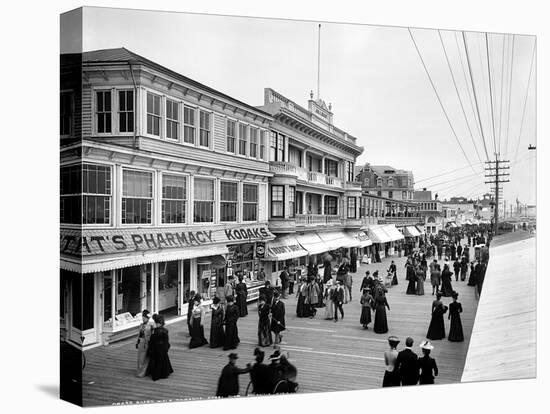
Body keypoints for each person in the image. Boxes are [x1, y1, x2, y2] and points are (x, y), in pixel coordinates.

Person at [147, 314, 174, 381]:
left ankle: (157, 373)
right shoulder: (165, 330)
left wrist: (150, 348)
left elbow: (152, 340)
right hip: (162, 348)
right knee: (163, 360)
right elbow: (166, 341)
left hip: (156, 348)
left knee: (157, 361)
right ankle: (164, 373)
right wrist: (166, 347)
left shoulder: (155, 331)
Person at [136, 309, 153, 378]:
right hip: (141, 342)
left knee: (146, 358)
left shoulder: (151, 325)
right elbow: (139, 334)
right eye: (143, 317)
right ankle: (141, 372)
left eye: (145, 317)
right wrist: (137, 342)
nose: (143, 319)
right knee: (140, 358)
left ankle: (143, 372)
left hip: (147, 342)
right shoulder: (141, 325)